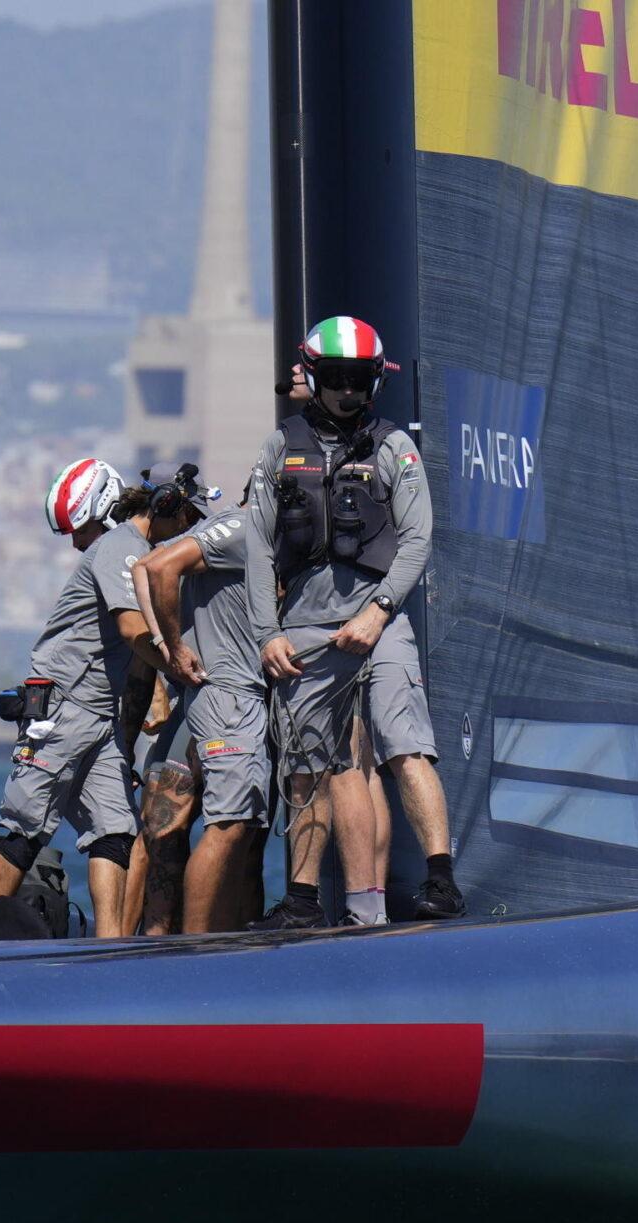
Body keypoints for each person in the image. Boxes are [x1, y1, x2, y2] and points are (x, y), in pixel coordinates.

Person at [249, 316, 462, 928]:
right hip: (305, 627)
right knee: (306, 760)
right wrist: (269, 633)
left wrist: (379, 611)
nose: (349, 391)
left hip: (381, 616)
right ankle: (302, 899)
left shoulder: (396, 447)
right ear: (314, 377)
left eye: (361, 380)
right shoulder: (279, 448)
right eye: (337, 378)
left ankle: (441, 878)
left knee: (405, 743)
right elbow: (261, 551)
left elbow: (419, 538)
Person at [0, 457, 185, 935]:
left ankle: (107, 946)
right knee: (25, 825)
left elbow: (132, 644)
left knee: (114, 830)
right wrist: (183, 668)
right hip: (64, 705)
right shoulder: (119, 546)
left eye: (81, 528)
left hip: (100, 714)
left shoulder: (125, 546)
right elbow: (132, 628)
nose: (76, 542)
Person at [139, 482, 279, 933]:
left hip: (223, 697)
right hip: (229, 696)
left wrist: (169, 646)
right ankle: (197, 950)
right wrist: (173, 648)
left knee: (238, 829)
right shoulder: (244, 527)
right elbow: (157, 566)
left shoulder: (234, 529)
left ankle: (207, 942)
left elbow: (144, 567)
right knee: (229, 825)